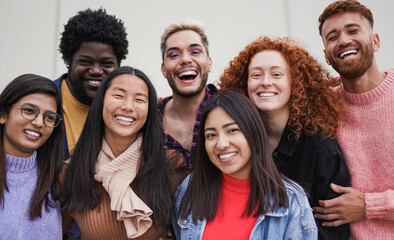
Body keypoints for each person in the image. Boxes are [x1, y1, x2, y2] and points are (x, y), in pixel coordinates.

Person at [219, 36, 351, 239]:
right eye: (256, 75)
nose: (265, 82)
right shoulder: (236, 141)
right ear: (244, 84)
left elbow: (333, 229)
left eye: (276, 74)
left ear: (295, 82)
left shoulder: (320, 147)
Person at [173, 91, 317, 239]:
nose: (221, 144)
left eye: (232, 130)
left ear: (253, 132)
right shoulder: (189, 189)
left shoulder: (291, 201)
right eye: (211, 135)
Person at [62, 66, 173, 239]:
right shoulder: (70, 172)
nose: (128, 106)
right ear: (101, 102)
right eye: (118, 96)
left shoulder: (171, 165)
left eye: (139, 99)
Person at [313, 0, 394, 239]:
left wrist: (369, 206)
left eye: (353, 30)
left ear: (375, 41)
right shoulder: (322, 107)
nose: (344, 40)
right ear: (327, 56)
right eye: (332, 37)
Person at [56, 8, 128, 159]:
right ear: (68, 60)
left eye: (106, 63)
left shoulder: (128, 108)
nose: (96, 71)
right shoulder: (43, 100)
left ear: (118, 66)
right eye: (85, 62)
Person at [0, 74, 64, 239]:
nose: (38, 122)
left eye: (49, 117)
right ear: (3, 115)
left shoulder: (59, 178)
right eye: (29, 110)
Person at [158, 19, 218, 178]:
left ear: (209, 63)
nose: (185, 59)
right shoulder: (149, 120)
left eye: (195, 52)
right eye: (174, 55)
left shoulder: (233, 111)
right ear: (164, 69)